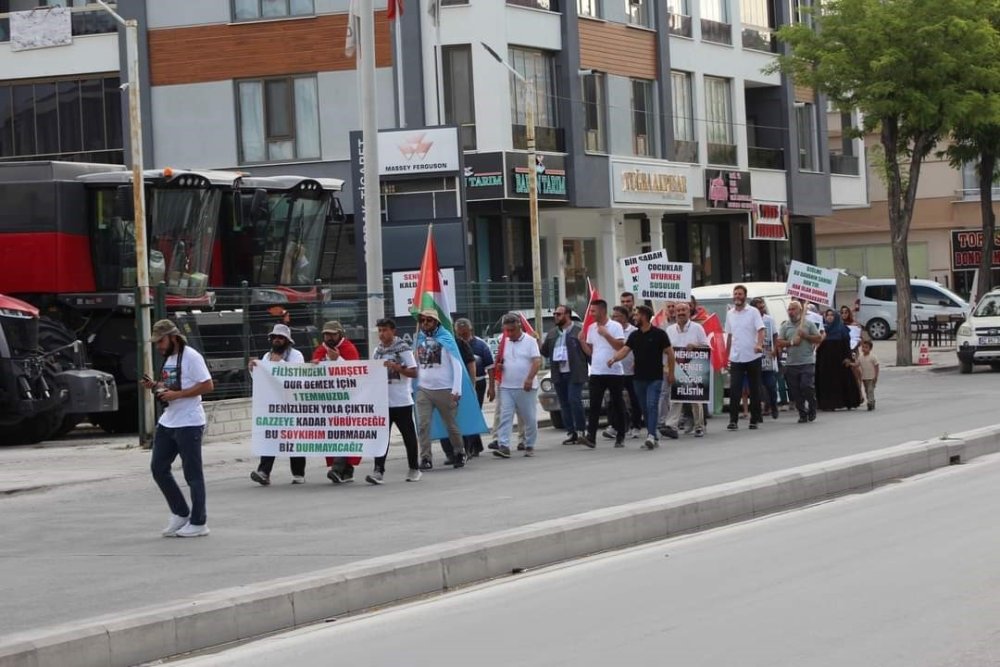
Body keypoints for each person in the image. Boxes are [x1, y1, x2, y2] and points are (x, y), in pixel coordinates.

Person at [142, 319, 214, 538]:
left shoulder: (191, 356)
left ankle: (199, 522)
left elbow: (207, 385)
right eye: (156, 342)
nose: (159, 346)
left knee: (193, 474)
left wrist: (177, 395)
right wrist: (155, 386)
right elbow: (172, 386)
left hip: (189, 422)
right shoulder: (170, 359)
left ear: (173, 337)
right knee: (158, 468)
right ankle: (180, 513)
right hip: (169, 420)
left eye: (161, 341)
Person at [609, 304, 674, 449]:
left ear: (644, 316)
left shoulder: (659, 334)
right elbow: (625, 350)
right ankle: (654, 435)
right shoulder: (634, 335)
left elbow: (670, 354)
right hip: (638, 378)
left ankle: (650, 436)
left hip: (655, 378)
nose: (634, 317)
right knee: (645, 408)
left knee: (652, 405)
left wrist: (671, 373)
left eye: (637, 314)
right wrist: (614, 359)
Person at [249, 324, 306, 486]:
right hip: (273, 405)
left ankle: (298, 473)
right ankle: (264, 472)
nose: (277, 340)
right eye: (274, 337)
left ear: (287, 341)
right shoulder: (267, 356)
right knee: (271, 436)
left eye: (280, 338)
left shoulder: (296, 356)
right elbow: (262, 381)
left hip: (293, 404)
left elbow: (298, 377)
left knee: (294, 439)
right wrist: (253, 370)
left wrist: (280, 363)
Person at [368, 318, 422, 484]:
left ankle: (414, 468)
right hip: (383, 402)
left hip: (401, 401)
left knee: (408, 437)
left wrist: (396, 367)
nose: (382, 334)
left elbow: (414, 373)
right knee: (381, 437)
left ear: (393, 331)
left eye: (385, 330)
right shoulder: (377, 351)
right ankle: (378, 471)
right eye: (380, 330)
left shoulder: (403, 349)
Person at [414, 309, 467, 469]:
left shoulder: (446, 338)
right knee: (423, 425)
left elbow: (456, 364)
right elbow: (415, 363)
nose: (425, 324)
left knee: (450, 425)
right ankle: (425, 458)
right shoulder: (419, 339)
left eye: (428, 321)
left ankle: (459, 452)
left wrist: (457, 389)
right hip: (424, 389)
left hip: (445, 389)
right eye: (422, 321)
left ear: (436, 322)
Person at [312, 321, 362, 484]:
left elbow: (354, 374)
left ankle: (337, 468)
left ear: (340, 334)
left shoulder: (349, 348)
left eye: (332, 334)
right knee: (333, 436)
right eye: (326, 334)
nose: (329, 337)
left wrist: (338, 360)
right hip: (328, 402)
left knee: (345, 434)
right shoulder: (321, 349)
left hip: (347, 402)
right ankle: (346, 471)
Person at [577, 299, 627, 448]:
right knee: (594, 405)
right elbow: (591, 351)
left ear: (602, 311)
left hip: (614, 371)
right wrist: (582, 342)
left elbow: (620, 346)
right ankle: (591, 437)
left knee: (617, 403)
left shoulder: (615, 326)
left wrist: (606, 334)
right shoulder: (592, 328)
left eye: (593, 311)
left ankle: (621, 435)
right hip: (597, 371)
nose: (591, 314)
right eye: (590, 311)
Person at [493, 314, 542, 458]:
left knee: (529, 418)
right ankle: (504, 445)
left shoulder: (530, 341)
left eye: (512, 330)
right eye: (507, 330)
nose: (509, 334)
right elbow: (500, 359)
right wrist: (500, 366)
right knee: (505, 416)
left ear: (519, 327)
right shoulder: (504, 341)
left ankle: (530, 444)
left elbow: (537, 361)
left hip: (525, 386)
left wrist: (529, 378)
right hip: (507, 386)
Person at [444, 318, 493, 458]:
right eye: (460, 334)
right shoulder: (454, 344)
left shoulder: (480, 345)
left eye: (465, 334)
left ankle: (470, 447)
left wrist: (491, 387)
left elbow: (490, 367)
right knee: (463, 416)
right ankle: (475, 445)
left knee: (472, 414)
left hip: (477, 383)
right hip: (458, 384)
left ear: (470, 331)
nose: (462, 337)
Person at [540, 305, 588, 444]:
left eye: (559, 314)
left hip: (575, 373)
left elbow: (588, 351)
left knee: (574, 400)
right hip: (559, 373)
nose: (555, 316)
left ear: (567, 315)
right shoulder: (552, 333)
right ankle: (571, 432)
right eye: (555, 314)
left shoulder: (579, 330)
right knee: (564, 404)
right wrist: (537, 341)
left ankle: (581, 430)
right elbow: (544, 352)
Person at [663, 302, 709, 438]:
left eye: (684, 310)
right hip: (676, 368)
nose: (681, 313)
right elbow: (666, 350)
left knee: (695, 397)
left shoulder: (697, 328)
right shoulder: (670, 330)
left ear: (689, 312)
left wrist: (695, 346)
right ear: (674, 313)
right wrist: (667, 368)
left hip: (694, 367)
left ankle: (699, 426)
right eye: (678, 310)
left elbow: (706, 347)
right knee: (676, 397)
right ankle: (671, 426)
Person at [725, 285, 765, 430]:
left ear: (745, 296)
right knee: (735, 390)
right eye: (735, 294)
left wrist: (759, 344)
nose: (737, 296)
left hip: (753, 356)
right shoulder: (730, 314)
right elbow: (729, 335)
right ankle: (733, 420)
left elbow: (761, 330)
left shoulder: (753, 312)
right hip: (736, 357)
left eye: (740, 294)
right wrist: (726, 355)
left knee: (754, 389)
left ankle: (754, 419)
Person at [776, 301, 823, 423]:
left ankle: (812, 405)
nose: (790, 312)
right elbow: (779, 342)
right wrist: (791, 342)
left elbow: (819, 338)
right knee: (795, 391)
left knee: (806, 386)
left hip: (807, 361)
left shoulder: (808, 324)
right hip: (791, 363)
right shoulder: (785, 326)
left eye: (793, 309)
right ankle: (802, 413)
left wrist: (806, 336)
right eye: (789, 309)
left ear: (800, 311)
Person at [440, 331, 478, 463]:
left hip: (461, 387)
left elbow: (471, 363)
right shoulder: (432, 342)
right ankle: (450, 454)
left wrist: (472, 384)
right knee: (443, 423)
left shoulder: (460, 343)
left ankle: (465, 450)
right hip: (440, 389)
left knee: (461, 421)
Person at [815, 308, 863, 411]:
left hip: (839, 360)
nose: (829, 317)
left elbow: (846, 345)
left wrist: (848, 358)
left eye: (832, 315)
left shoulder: (842, 329)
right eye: (827, 315)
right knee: (826, 382)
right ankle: (827, 403)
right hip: (825, 361)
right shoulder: (822, 330)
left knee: (843, 380)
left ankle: (846, 402)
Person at [610, 305, 643, 440]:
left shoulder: (634, 331)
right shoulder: (611, 331)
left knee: (634, 399)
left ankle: (636, 426)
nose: (614, 318)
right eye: (613, 316)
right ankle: (616, 426)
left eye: (616, 316)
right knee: (614, 400)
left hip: (631, 371)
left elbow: (640, 349)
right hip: (616, 370)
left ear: (624, 317)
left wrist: (638, 361)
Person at [751, 297, 780, 420]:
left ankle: (773, 405)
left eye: (763, 306)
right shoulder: (749, 320)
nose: (762, 309)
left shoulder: (769, 320)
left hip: (767, 358)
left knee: (771, 386)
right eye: (759, 307)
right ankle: (758, 413)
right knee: (757, 388)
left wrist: (775, 349)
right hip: (754, 358)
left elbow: (775, 335)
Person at [858, 339, 880, 411]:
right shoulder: (860, 357)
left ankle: (870, 403)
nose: (864, 349)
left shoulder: (873, 357)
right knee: (867, 391)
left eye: (866, 347)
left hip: (871, 377)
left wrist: (876, 376)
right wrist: (850, 363)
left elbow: (876, 366)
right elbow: (857, 364)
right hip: (864, 377)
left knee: (870, 390)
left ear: (870, 349)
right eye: (863, 347)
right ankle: (871, 401)